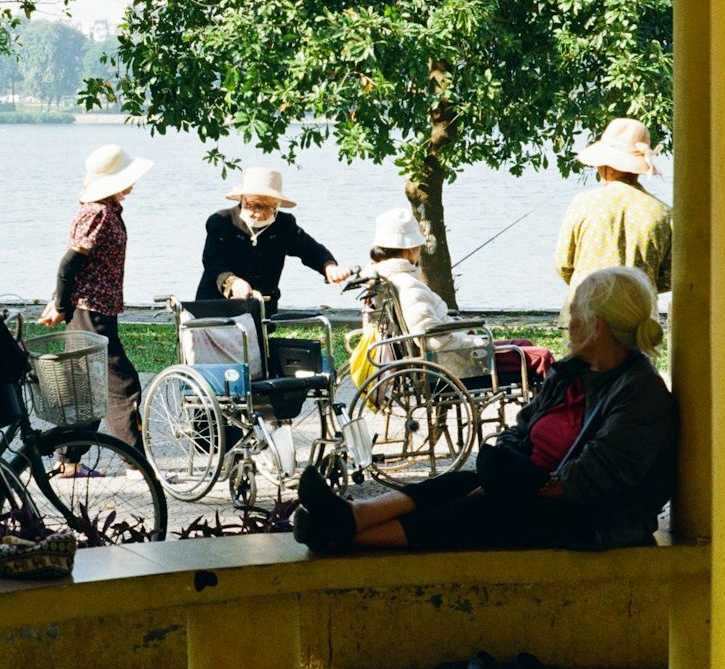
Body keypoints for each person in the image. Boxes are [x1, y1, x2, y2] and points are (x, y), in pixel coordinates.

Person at [293, 265, 677, 553]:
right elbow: (522, 428)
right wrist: (504, 470)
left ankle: (345, 537)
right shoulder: (573, 372)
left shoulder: (640, 393)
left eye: (574, 315)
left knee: (482, 511)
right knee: (457, 483)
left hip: (593, 517)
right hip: (537, 486)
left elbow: (589, 481)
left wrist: (518, 486)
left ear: (597, 327)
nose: (567, 324)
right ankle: (353, 516)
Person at [37, 144, 153, 472]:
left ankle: (69, 463)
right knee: (122, 385)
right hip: (89, 311)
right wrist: (60, 304)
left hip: (97, 309)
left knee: (89, 389)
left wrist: (60, 301)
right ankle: (137, 466)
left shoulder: (107, 209)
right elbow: (69, 264)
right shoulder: (97, 212)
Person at [360, 208, 554, 379]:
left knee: (524, 343)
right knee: (541, 356)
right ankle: (555, 407)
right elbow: (433, 339)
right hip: (451, 362)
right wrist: (475, 341)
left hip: (445, 354)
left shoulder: (387, 280)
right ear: (410, 249)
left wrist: (462, 331)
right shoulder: (408, 286)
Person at [555, 118, 672, 321]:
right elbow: (670, 275)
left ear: (609, 167)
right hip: (638, 318)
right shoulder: (663, 213)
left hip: (584, 315)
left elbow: (564, 264)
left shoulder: (583, 203)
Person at [195, 167, 352, 317]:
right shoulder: (222, 221)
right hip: (215, 305)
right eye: (254, 205)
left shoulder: (285, 225)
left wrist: (329, 267)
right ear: (243, 199)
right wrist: (232, 282)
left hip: (262, 307)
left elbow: (311, 250)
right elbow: (212, 261)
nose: (259, 213)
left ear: (277, 205)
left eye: (268, 207)